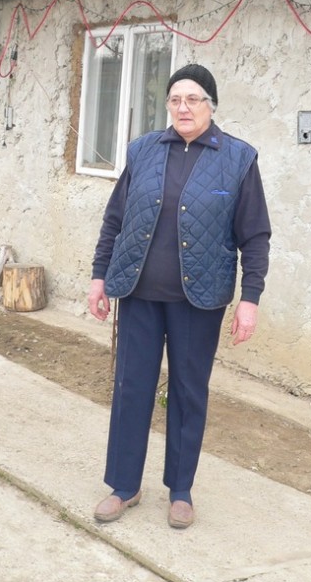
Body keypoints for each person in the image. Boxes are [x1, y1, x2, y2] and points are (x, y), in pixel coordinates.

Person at [88, 63, 271, 529]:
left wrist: (249, 299)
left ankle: (181, 491)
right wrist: (99, 277)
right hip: (139, 294)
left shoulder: (238, 158)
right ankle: (124, 486)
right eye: (175, 99)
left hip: (199, 301)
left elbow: (255, 236)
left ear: (211, 105)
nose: (183, 107)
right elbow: (115, 220)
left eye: (193, 99)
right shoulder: (144, 150)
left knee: (188, 394)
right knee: (131, 388)